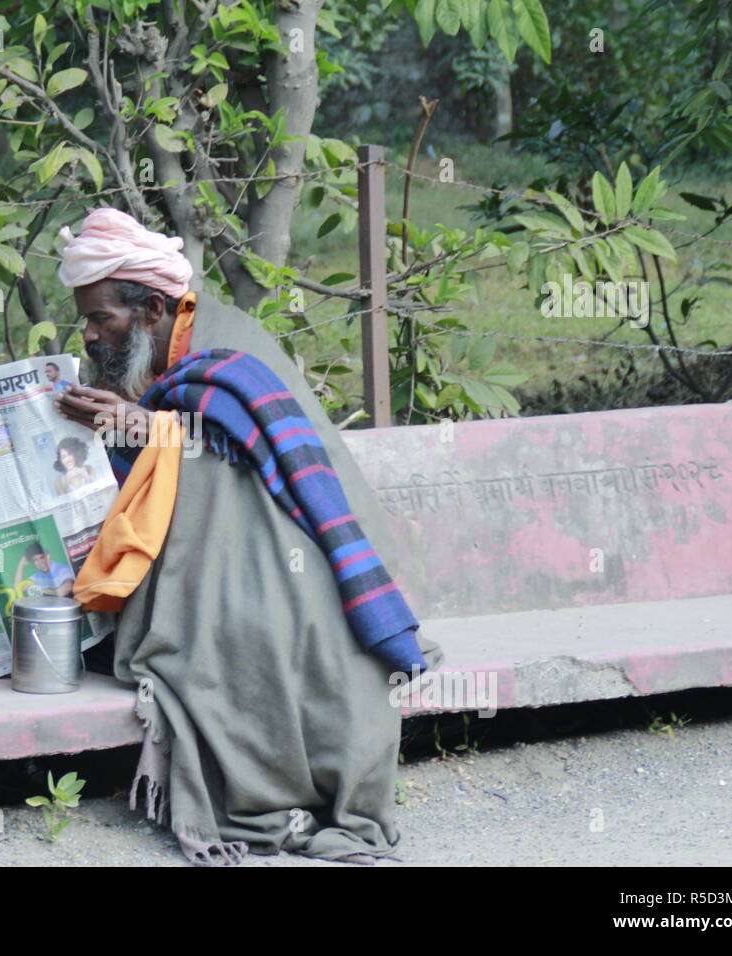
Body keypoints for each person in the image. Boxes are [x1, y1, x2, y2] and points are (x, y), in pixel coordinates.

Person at [54, 207, 443, 866]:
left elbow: (255, 469)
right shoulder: (146, 350)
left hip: (288, 554)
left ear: (151, 306)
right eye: (86, 319)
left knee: (248, 640)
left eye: (101, 319)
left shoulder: (231, 345)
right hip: (216, 557)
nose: (90, 335)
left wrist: (144, 430)